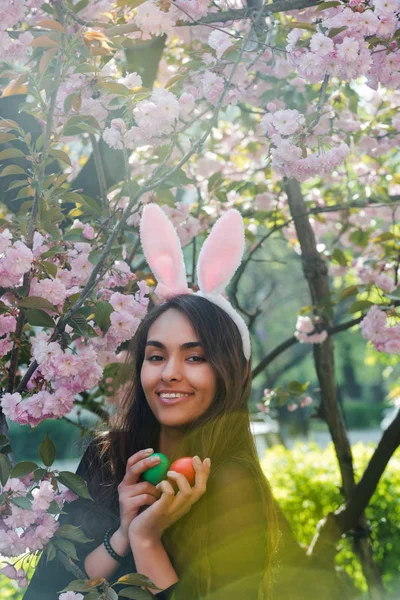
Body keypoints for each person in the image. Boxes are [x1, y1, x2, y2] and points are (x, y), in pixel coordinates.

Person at [24, 205, 280, 600]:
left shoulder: (234, 485)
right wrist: (123, 534)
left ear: (235, 372)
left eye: (196, 357)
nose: (169, 374)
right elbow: (44, 591)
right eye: (156, 356)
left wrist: (146, 540)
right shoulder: (107, 456)